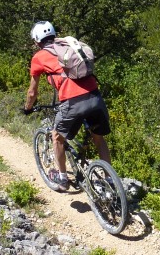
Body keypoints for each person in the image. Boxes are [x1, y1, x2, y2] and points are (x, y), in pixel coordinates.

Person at [22, 21, 111, 192]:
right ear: (54, 34)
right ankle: (110, 181)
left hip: (72, 102)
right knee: (98, 138)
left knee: (57, 137)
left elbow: (32, 93)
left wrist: (27, 108)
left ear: (36, 41)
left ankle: (62, 179)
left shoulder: (39, 57)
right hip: (95, 96)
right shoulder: (69, 46)